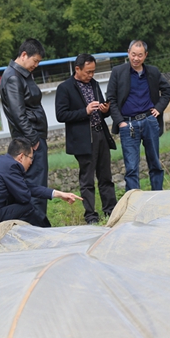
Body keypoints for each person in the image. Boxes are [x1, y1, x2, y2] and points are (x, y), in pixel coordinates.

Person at [0, 138, 82, 242]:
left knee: (17, 205)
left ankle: (42, 235)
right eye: (31, 158)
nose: (31, 162)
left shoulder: (3, 163)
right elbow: (24, 197)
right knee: (25, 207)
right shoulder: (11, 167)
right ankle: (50, 237)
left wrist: (58, 194)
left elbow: (26, 187)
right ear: (21, 157)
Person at [55, 54, 118, 225]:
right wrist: (85, 111)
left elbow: (103, 108)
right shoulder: (65, 88)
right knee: (87, 179)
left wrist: (105, 110)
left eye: (93, 72)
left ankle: (110, 210)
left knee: (106, 176)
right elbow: (61, 115)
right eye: (88, 72)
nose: (91, 75)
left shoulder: (95, 84)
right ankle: (91, 215)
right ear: (77, 69)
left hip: (100, 134)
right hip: (83, 139)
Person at [106, 40, 170, 191]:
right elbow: (111, 98)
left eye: (140, 55)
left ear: (145, 56)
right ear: (128, 53)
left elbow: (167, 90)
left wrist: (158, 108)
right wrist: (120, 122)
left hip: (149, 121)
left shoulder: (153, 72)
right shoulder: (118, 72)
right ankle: (134, 201)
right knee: (131, 167)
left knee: (155, 163)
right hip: (128, 124)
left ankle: (158, 195)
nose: (136, 58)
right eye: (133, 54)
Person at [0, 38, 49, 218]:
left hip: (32, 137)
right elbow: (18, 113)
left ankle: (36, 221)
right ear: (23, 55)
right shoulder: (13, 77)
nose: (36, 65)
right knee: (35, 184)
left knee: (36, 182)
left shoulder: (21, 75)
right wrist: (33, 139)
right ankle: (36, 224)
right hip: (30, 140)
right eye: (35, 61)